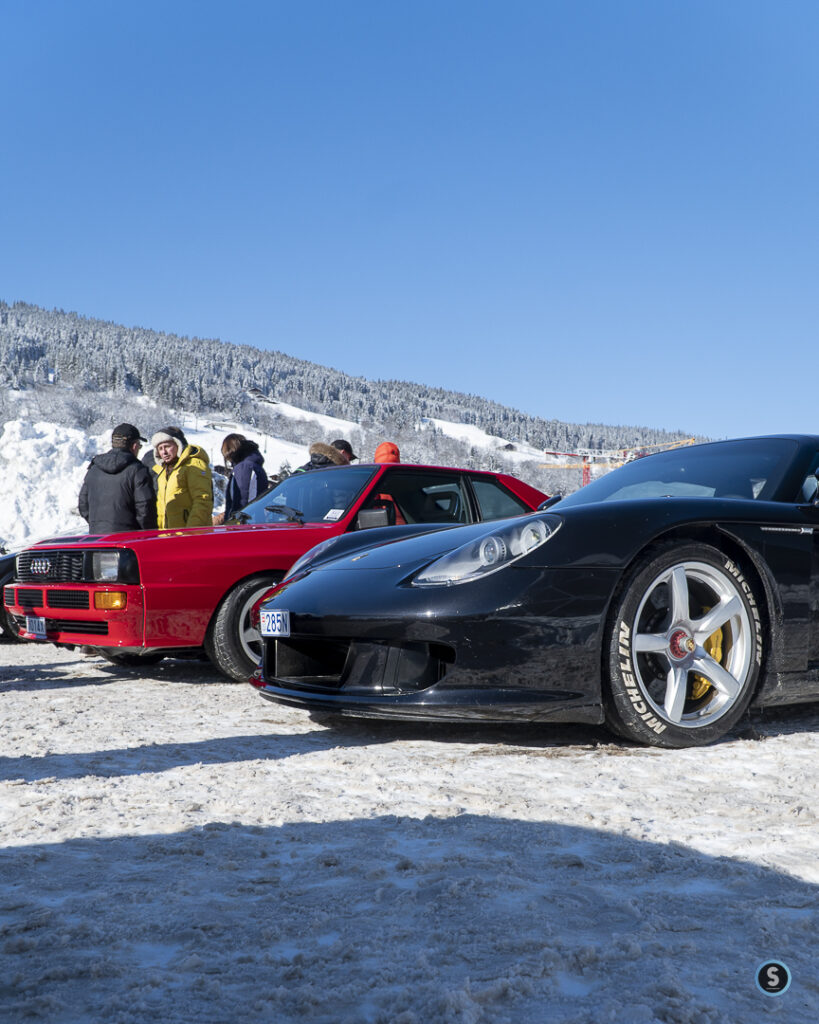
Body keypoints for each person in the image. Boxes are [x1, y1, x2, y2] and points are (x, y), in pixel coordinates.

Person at [78, 423, 157, 534]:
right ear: (134, 446)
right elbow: (145, 509)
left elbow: (83, 505)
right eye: (139, 446)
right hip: (128, 541)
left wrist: (98, 524)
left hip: (97, 539)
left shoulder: (94, 469)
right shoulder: (138, 470)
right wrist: (147, 533)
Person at [150, 426, 213, 527]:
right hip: (168, 536)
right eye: (160, 448)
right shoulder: (163, 472)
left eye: (167, 446)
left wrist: (191, 532)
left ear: (178, 445)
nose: (164, 452)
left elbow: (202, 501)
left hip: (189, 536)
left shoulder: (193, 465)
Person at [218, 433, 269, 523]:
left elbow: (242, 501)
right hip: (255, 522)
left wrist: (232, 524)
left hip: (244, 527)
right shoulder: (255, 466)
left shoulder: (244, 468)